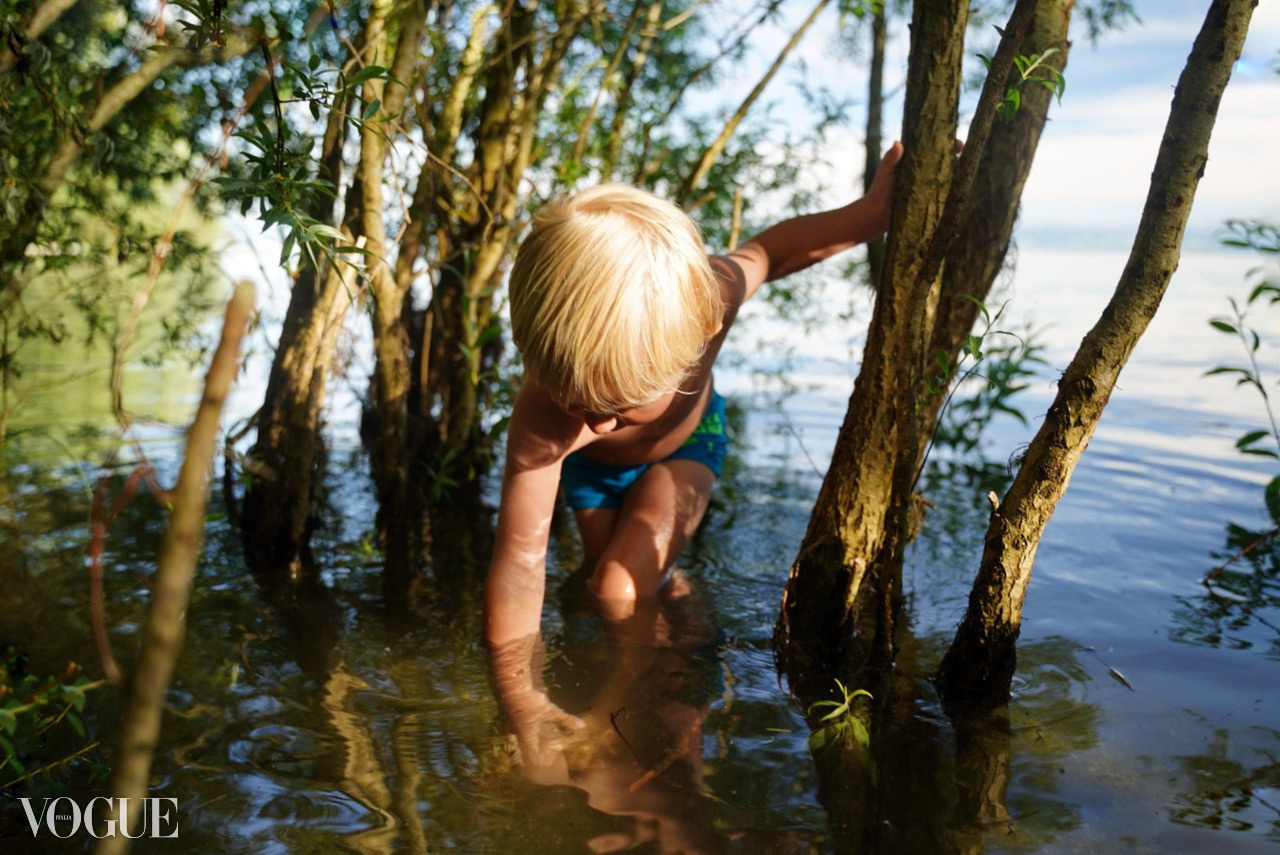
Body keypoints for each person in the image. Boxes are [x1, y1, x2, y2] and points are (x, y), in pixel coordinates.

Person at [485, 143, 903, 760]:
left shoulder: (710, 298)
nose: (598, 424)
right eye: (576, 401)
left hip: (685, 447)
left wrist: (870, 216)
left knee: (617, 587)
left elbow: (772, 252)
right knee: (611, 590)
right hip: (590, 476)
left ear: (703, 335)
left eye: (622, 404)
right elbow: (521, 562)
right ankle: (680, 626)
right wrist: (519, 697)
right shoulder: (544, 419)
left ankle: (622, 709)